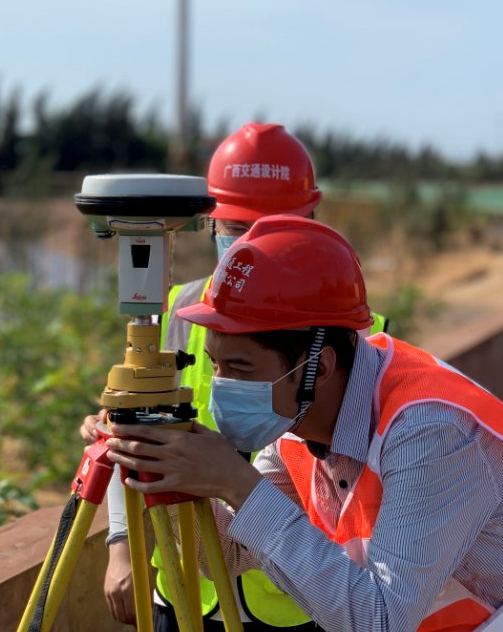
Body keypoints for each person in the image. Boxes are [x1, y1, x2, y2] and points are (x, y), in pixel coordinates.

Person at [104, 215, 503, 632]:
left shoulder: (430, 431)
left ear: (320, 366)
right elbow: (228, 554)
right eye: (215, 364)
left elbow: (378, 620)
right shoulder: (298, 422)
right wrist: (168, 467)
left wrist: (236, 482)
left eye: (240, 368)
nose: (221, 385)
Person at [81, 123, 388, 630]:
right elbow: (133, 436)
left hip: (294, 601)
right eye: (238, 228)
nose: (254, 243)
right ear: (209, 224)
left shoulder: (356, 331)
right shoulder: (177, 310)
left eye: (273, 227)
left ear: (310, 224)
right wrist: (121, 547)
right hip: (185, 590)